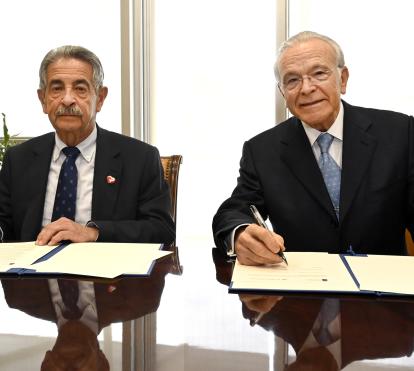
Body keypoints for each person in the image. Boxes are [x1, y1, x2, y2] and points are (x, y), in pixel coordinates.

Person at [212, 31, 414, 265]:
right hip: (302, 293)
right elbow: (234, 211)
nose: (306, 88)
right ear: (282, 93)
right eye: (292, 80)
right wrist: (240, 233)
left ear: (343, 79)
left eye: (319, 73)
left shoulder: (401, 133)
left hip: (384, 291)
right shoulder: (261, 150)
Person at [0, 45, 175, 245]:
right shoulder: (18, 159)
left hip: (106, 274)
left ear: (99, 98)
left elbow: (161, 229)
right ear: (43, 100)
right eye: (57, 89)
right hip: (31, 273)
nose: (67, 99)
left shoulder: (140, 158)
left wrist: (93, 233)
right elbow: (4, 223)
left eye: (80, 89)